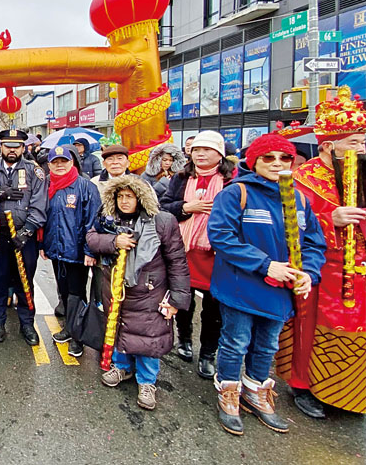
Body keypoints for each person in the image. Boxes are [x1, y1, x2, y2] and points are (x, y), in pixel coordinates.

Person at [208, 133, 326, 435]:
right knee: (235, 342)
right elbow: (221, 236)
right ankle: (229, 391)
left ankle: (256, 389)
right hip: (241, 287)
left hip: (280, 292)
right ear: (254, 161)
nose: (277, 163)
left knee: (267, 345)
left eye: (284, 157)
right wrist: (265, 264)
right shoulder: (237, 193)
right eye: (268, 157)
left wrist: (308, 275)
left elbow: (313, 243)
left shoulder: (299, 198)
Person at [284, 88, 366, 418]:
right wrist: (329, 220)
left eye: (363, 142)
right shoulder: (302, 178)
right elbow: (289, 224)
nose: (361, 149)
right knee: (308, 330)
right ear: (329, 146)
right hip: (318, 268)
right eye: (354, 143)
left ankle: (350, 392)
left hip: (358, 271)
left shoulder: (363, 174)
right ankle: (303, 386)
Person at [86, 175, 190, 411]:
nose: (124, 202)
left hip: (149, 292)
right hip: (115, 287)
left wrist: (177, 298)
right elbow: (92, 238)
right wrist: (114, 241)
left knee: (148, 336)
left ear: (140, 199)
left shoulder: (163, 222)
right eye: (120, 196)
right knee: (119, 327)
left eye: (129, 197)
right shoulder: (108, 219)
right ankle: (121, 366)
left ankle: (146, 381)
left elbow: (177, 262)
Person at [160, 130, 232, 379]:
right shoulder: (181, 178)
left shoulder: (233, 180)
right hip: (184, 248)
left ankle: (208, 354)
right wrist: (186, 208)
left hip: (217, 252)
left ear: (220, 154)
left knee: (214, 308)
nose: (201, 154)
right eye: (197, 150)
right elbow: (165, 207)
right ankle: (185, 339)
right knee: (184, 300)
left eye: (207, 150)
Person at [41, 146, 101, 356]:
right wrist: (44, 245)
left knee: (77, 294)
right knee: (64, 293)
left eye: (63, 161)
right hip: (56, 251)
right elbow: (44, 219)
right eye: (55, 162)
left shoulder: (85, 187)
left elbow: (92, 221)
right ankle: (69, 327)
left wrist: (89, 251)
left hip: (76, 252)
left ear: (72, 162)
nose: (59, 165)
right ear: (49, 165)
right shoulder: (47, 185)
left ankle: (78, 336)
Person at [0, 129, 47, 345]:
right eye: (7, 146)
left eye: (16, 146)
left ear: (23, 148)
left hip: (25, 237)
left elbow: (40, 204)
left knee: (25, 282)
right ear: (1, 147)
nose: (12, 150)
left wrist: (27, 231)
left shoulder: (34, 171)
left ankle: (27, 323)